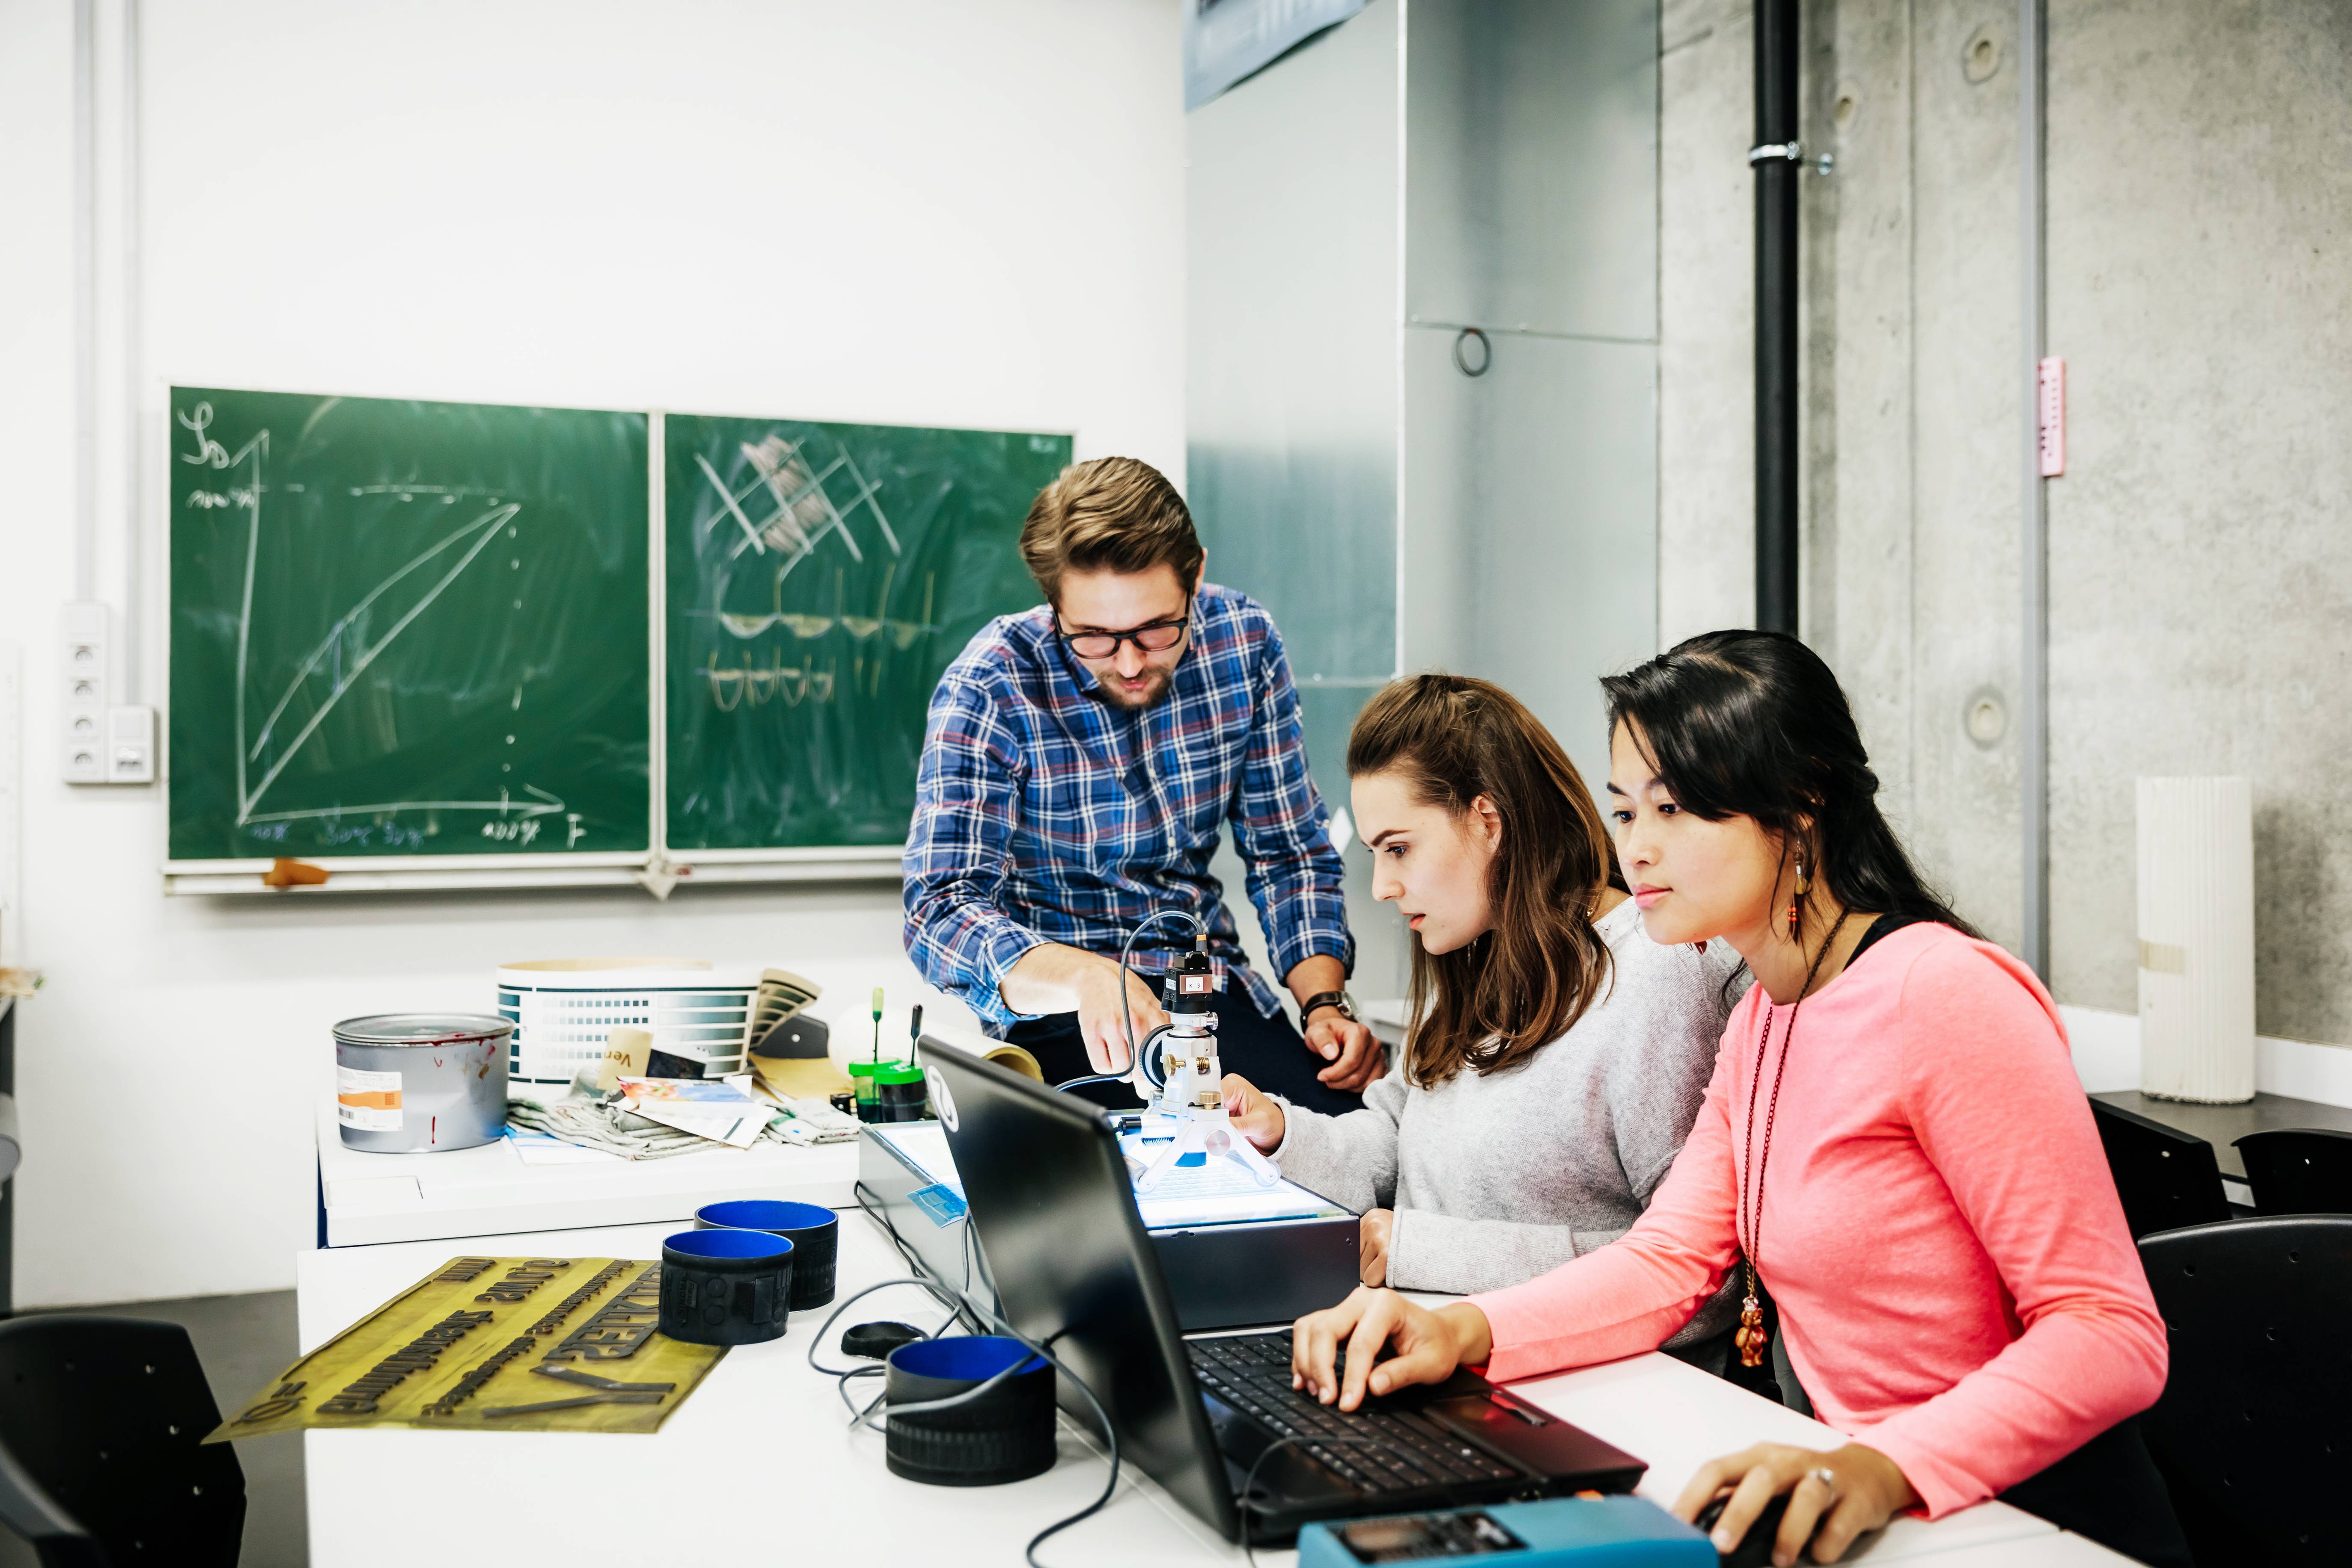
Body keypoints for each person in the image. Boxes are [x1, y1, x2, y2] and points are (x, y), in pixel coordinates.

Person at [1285, 631, 2189, 1568]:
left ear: (1796, 809)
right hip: (1862, 1500)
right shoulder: (1765, 1012)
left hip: (2028, 1519)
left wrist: (1879, 1466)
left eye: (1672, 810)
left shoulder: (1943, 993)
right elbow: (1668, 1261)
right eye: (1624, 811)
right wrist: (1452, 1330)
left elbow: (2110, 1331)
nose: (1635, 849)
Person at [1217, 675, 1746, 1370]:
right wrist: (1281, 1132)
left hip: (1592, 1389)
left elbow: (1699, 1280)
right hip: (1435, 1357)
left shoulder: (1659, 973)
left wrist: (1426, 1249)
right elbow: (1396, 1141)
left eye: (1399, 849)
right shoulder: (1475, 952)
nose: (1381, 887)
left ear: (1488, 822)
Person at [902, 456, 1380, 1116]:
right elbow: (940, 907)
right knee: (1115, 1179)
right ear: (1054, 605)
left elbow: (1288, 852)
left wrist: (1323, 1003)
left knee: (1341, 1150)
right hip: (1061, 1010)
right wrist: (1079, 972)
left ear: (1197, 575)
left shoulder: (1245, 644)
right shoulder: (992, 684)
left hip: (1206, 990)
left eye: (1158, 629)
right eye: (1094, 638)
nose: (1130, 663)